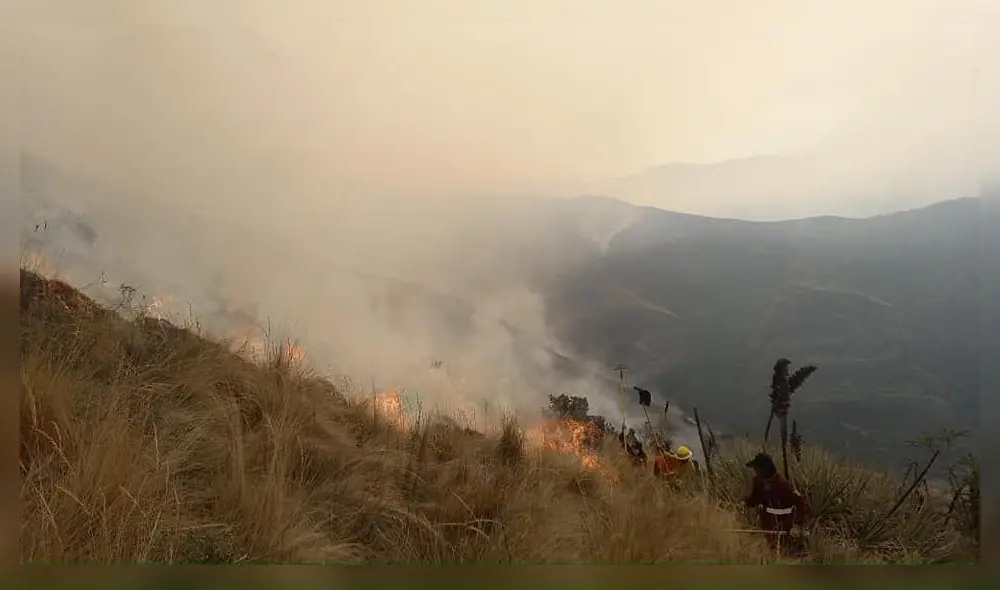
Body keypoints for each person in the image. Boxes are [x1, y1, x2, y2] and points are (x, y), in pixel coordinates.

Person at [743, 452, 811, 552]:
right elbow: (755, 499)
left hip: (785, 530)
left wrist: (797, 525)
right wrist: (745, 503)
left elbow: (802, 505)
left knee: (784, 554)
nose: (754, 471)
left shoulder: (784, 486)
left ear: (764, 470)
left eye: (756, 469)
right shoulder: (758, 482)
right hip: (768, 527)